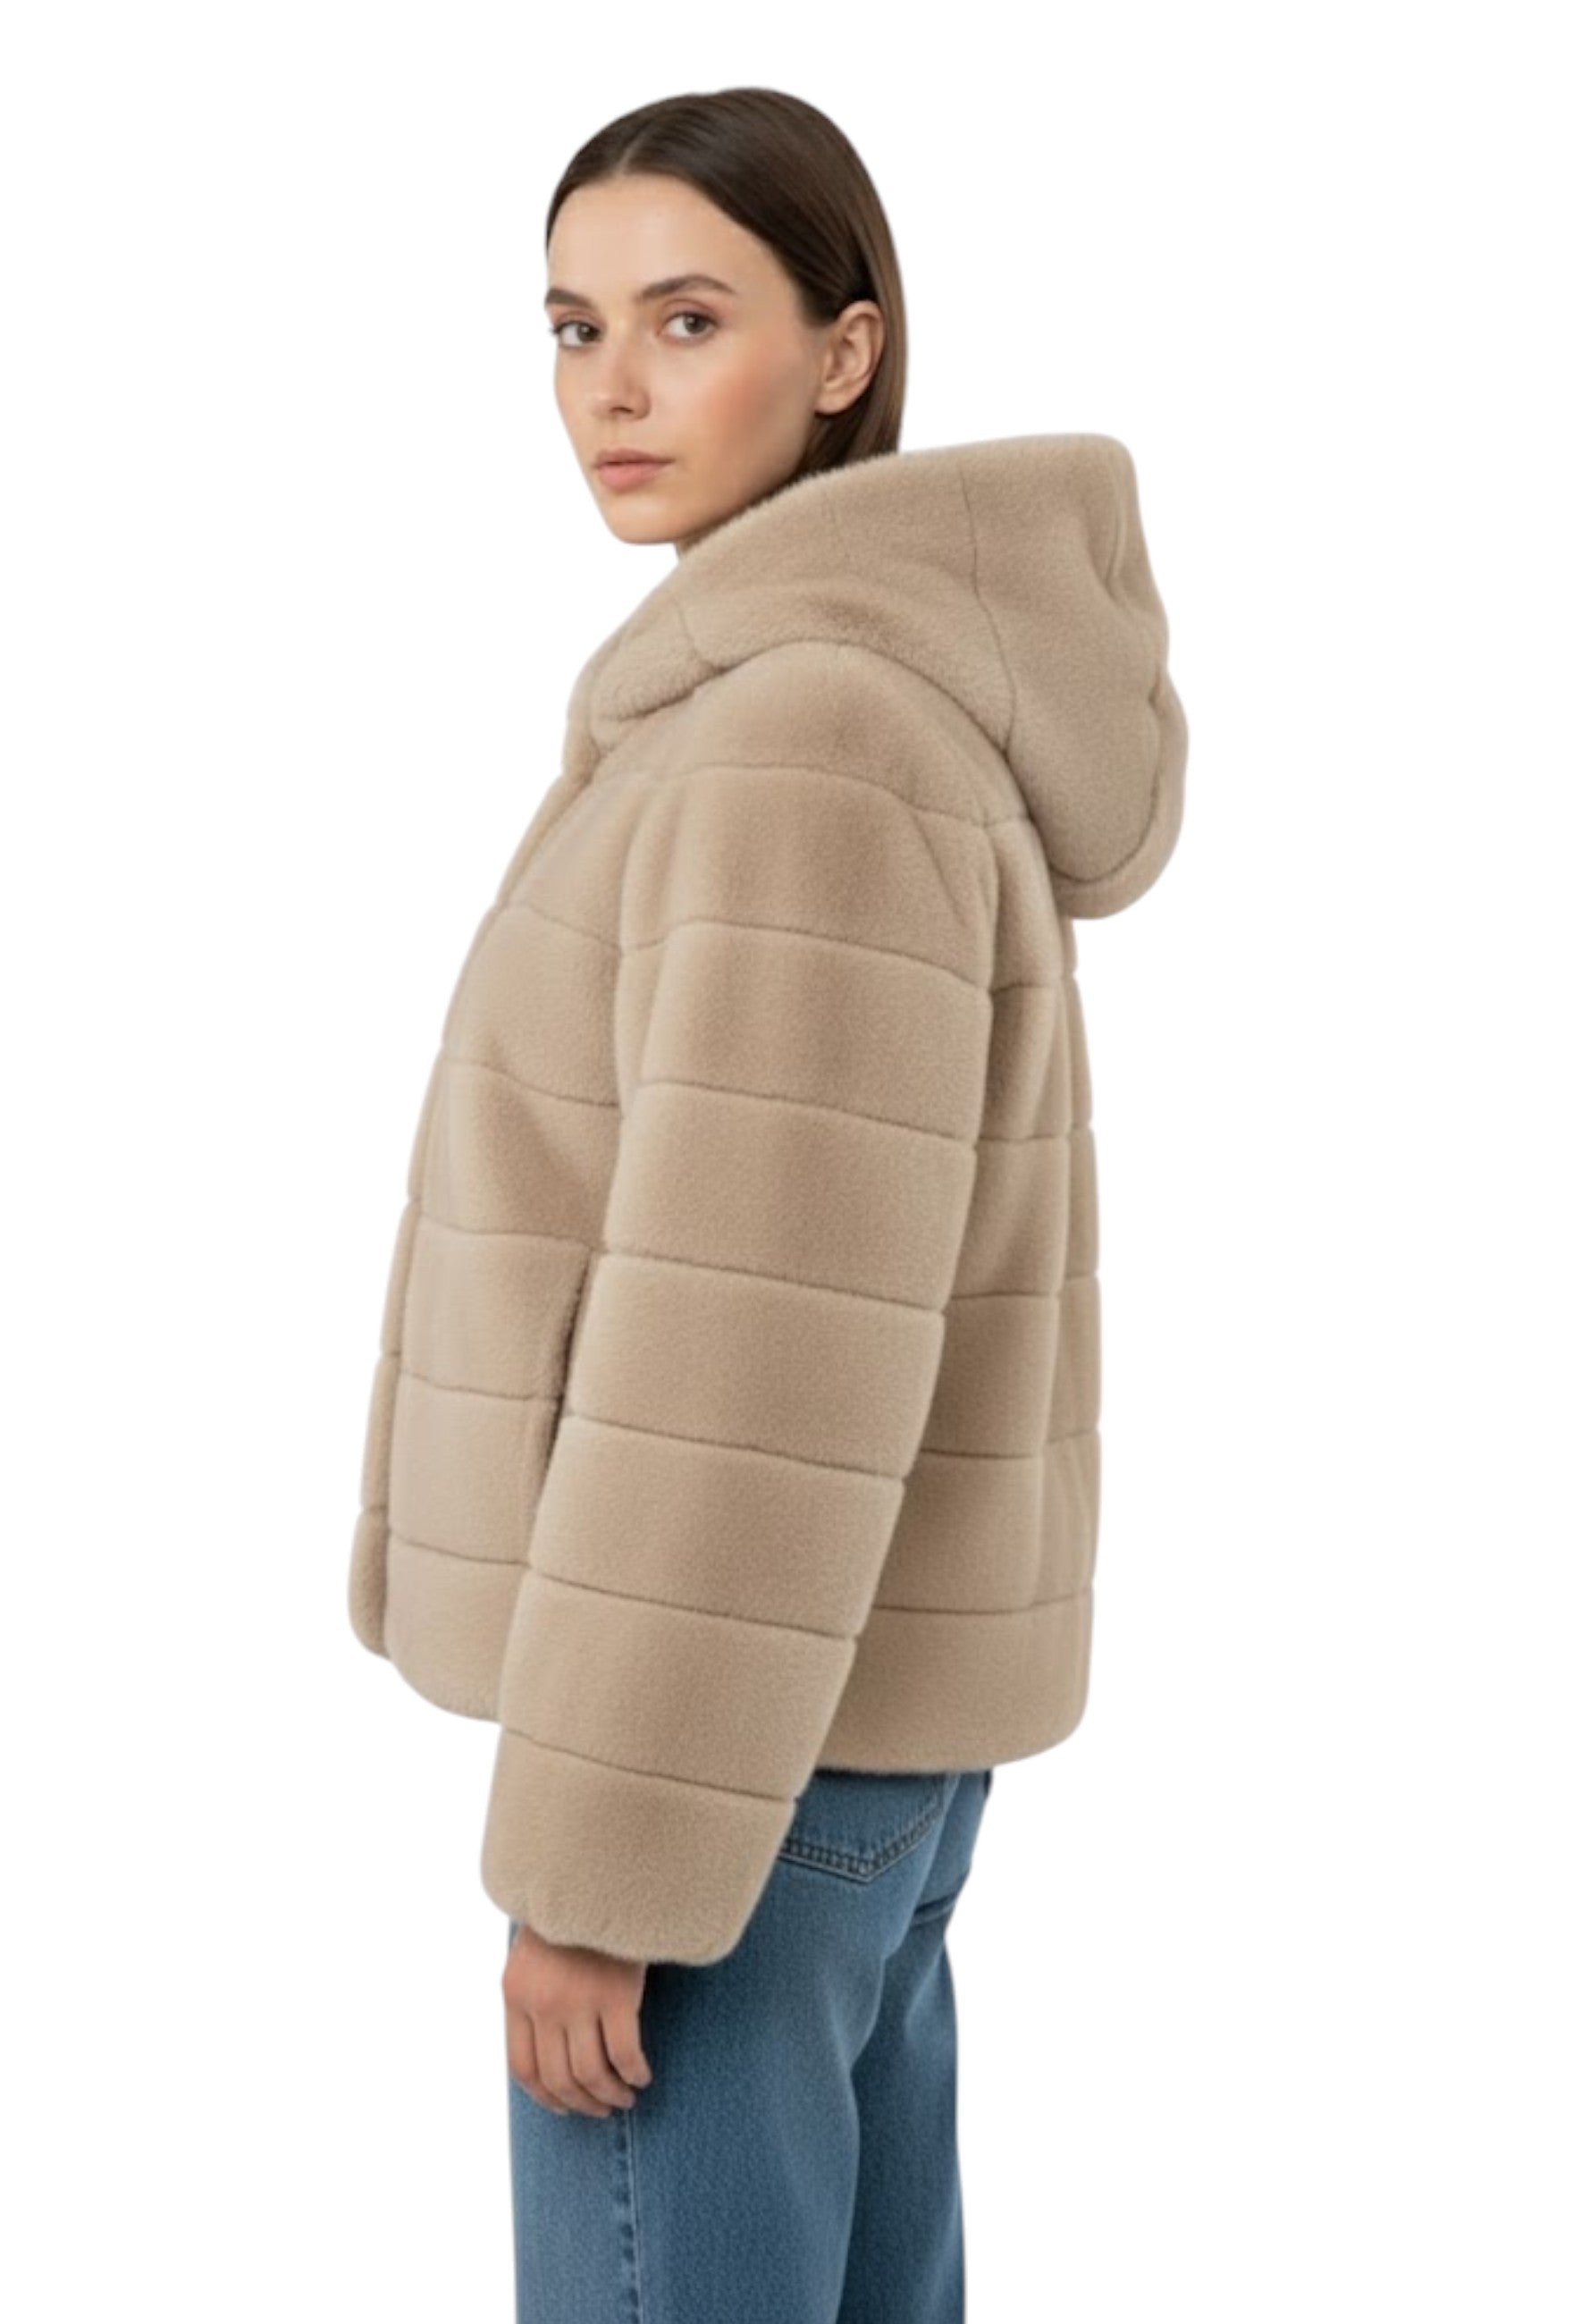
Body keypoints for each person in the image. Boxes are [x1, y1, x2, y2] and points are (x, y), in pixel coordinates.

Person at [347, 85, 1188, 2324]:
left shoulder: (803, 740)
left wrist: (601, 1871)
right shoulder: (848, 711)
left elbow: (745, 1358)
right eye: (573, 326)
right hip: (839, 1750)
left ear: (845, 351)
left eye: (688, 318)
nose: (611, 388)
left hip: (729, 1776)